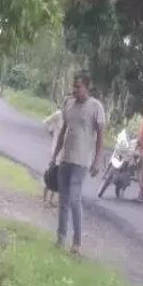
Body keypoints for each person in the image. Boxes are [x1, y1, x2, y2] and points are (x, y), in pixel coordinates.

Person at [49, 74, 105, 256]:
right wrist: (54, 156)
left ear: (86, 87)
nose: (74, 90)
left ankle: (77, 242)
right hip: (65, 159)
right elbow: (63, 131)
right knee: (63, 201)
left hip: (81, 162)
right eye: (73, 86)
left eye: (78, 87)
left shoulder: (96, 107)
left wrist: (97, 160)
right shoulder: (68, 104)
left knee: (74, 199)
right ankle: (60, 239)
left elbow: (100, 136)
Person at [42, 103, 65, 207]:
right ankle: (44, 199)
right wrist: (51, 131)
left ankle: (51, 200)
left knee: (58, 177)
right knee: (51, 175)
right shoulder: (59, 114)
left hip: (65, 153)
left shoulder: (72, 117)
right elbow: (47, 121)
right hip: (56, 151)